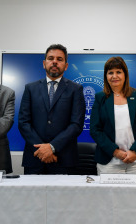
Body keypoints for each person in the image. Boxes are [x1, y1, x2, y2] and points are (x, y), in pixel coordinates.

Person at [18, 44, 85, 175]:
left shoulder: (76, 89)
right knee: (32, 196)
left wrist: (52, 147)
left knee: (63, 196)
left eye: (59, 59)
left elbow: (76, 125)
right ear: (44, 63)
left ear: (66, 65)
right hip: (35, 157)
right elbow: (23, 122)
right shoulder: (30, 88)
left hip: (64, 159)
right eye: (51, 58)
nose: (54, 61)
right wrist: (43, 150)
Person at [90, 56, 136, 176]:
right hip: (109, 162)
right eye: (110, 72)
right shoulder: (100, 98)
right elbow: (95, 130)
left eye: (118, 72)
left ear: (125, 74)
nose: (114, 76)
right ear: (106, 76)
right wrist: (115, 152)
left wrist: (135, 152)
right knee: (110, 195)